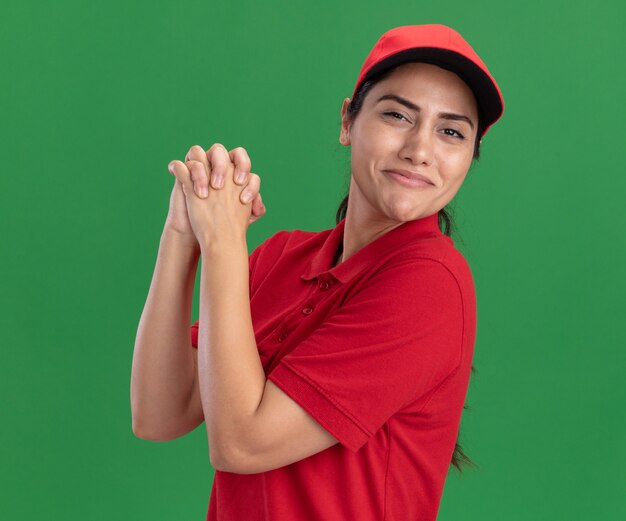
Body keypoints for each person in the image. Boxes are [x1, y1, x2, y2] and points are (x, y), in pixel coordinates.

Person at [131, 23, 504, 521]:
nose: (420, 149)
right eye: (397, 114)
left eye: (451, 132)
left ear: (469, 157)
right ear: (348, 121)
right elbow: (159, 414)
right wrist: (183, 235)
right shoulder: (282, 258)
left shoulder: (431, 283)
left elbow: (241, 444)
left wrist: (223, 243)